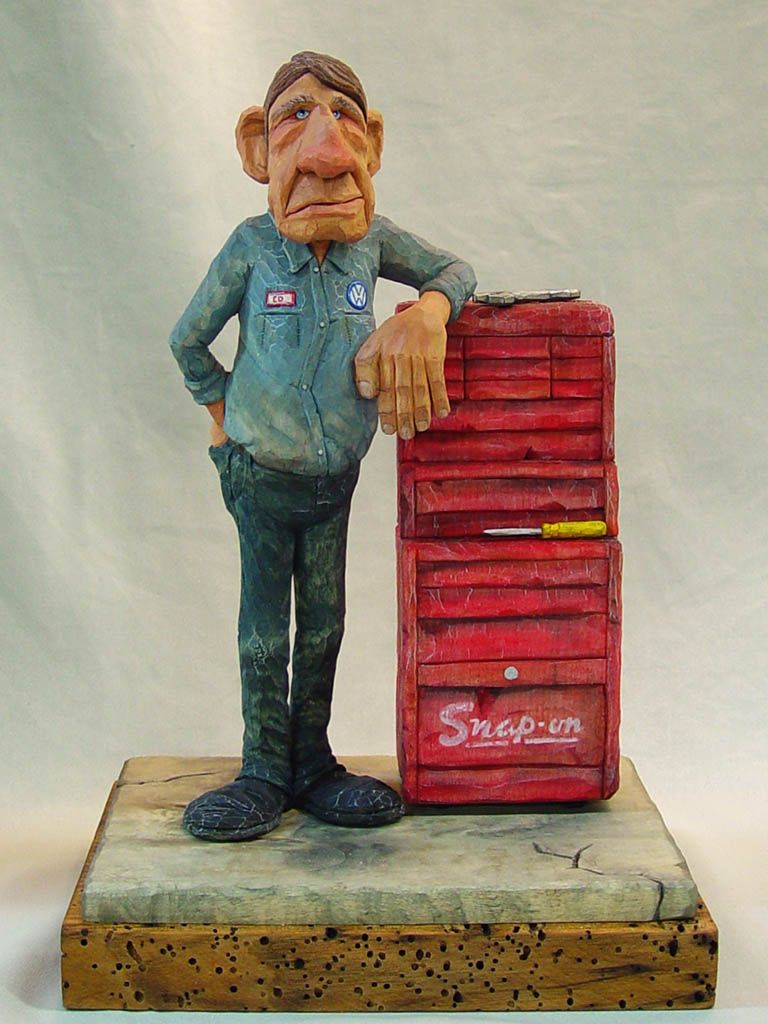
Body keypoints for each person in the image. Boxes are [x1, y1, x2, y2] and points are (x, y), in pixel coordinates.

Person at [170, 51, 476, 841]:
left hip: (334, 481)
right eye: (297, 118)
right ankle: (262, 768)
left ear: (372, 144)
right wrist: (224, 416)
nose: (326, 151)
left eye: (344, 118)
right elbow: (188, 341)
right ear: (258, 147)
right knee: (263, 630)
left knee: (326, 621)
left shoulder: (369, 245)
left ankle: (312, 763)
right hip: (261, 478)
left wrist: (427, 312)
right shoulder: (250, 250)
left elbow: (454, 268)